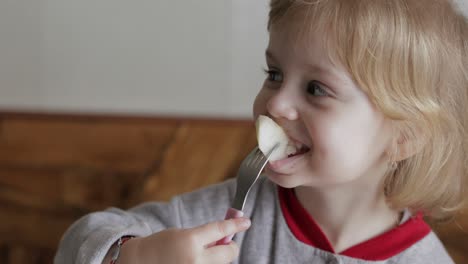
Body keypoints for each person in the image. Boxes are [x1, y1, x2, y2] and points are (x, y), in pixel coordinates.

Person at [54, 0, 468, 263]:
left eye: (316, 89)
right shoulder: (227, 212)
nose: (275, 104)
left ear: (404, 137)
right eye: (274, 73)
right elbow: (81, 240)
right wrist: (133, 257)